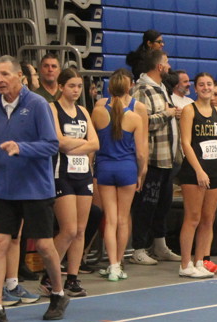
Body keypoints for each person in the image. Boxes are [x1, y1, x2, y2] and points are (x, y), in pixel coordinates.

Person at [0, 55, 70, 322]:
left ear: (19, 77)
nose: (0, 79)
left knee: (44, 246)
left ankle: (58, 293)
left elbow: (51, 145)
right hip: (4, 187)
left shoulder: (37, 105)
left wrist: (21, 148)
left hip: (36, 187)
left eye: (5, 74)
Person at [91, 68, 147, 281]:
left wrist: (91, 168)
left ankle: (112, 265)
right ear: (128, 89)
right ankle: (119, 262)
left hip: (105, 167)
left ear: (109, 89)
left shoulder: (98, 111)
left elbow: (92, 144)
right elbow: (140, 153)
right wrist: (140, 173)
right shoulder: (134, 117)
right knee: (123, 219)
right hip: (127, 168)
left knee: (111, 219)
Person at [46, 68, 98, 296]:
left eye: (78, 86)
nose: (76, 90)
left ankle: (72, 279)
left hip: (83, 173)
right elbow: (58, 142)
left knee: (80, 230)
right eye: (71, 86)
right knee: (68, 229)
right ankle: (49, 275)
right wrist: (82, 144)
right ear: (61, 86)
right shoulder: (52, 109)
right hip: (62, 174)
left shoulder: (83, 111)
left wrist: (74, 145)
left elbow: (95, 143)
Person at [177, 72, 217, 277]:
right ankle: (185, 264)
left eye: (209, 84)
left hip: (214, 169)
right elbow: (185, 143)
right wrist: (198, 170)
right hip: (194, 170)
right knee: (193, 218)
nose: (206, 88)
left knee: (208, 219)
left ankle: (200, 261)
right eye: (202, 84)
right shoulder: (189, 110)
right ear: (196, 88)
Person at [130, 49, 180, 265]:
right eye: (166, 62)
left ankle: (159, 245)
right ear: (159, 67)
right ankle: (138, 248)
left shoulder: (161, 88)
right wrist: (167, 114)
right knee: (146, 205)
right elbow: (142, 122)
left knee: (163, 205)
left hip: (167, 158)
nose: (169, 66)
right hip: (152, 159)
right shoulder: (143, 90)